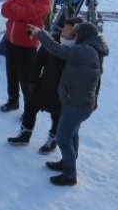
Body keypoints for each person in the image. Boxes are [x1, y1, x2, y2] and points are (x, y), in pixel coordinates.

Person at [31, 21, 108, 186]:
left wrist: (39, 33)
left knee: (63, 138)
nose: (74, 36)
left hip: (76, 104)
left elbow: (57, 49)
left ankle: (69, 175)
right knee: (72, 135)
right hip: (79, 102)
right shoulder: (92, 49)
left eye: (76, 34)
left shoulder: (86, 51)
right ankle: (67, 163)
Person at [7, 16, 81, 154]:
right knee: (30, 107)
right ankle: (25, 133)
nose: (64, 30)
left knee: (57, 116)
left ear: (76, 33)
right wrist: (32, 81)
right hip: (44, 84)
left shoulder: (78, 50)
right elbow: (38, 61)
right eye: (65, 26)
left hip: (62, 91)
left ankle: (52, 140)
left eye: (68, 28)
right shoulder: (53, 39)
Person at [0, 0, 51, 112]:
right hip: (10, 40)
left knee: (26, 80)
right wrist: (20, 13)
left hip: (27, 45)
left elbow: (29, 14)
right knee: (11, 74)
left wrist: (15, 9)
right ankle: (12, 101)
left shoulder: (44, 0)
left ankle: (29, 111)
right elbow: (4, 10)